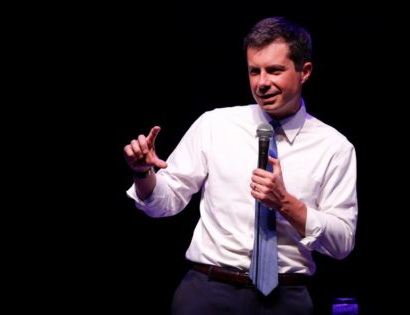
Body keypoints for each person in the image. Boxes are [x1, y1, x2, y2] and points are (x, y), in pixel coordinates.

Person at [124, 16, 357, 315]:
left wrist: (285, 203)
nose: (261, 83)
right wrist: (144, 173)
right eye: (254, 71)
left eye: (274, 71)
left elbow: (342, 243)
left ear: (304, 71)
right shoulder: (215, 124)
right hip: (206, 292)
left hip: (287, 299)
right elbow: (163, 203)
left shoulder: (334, 147)